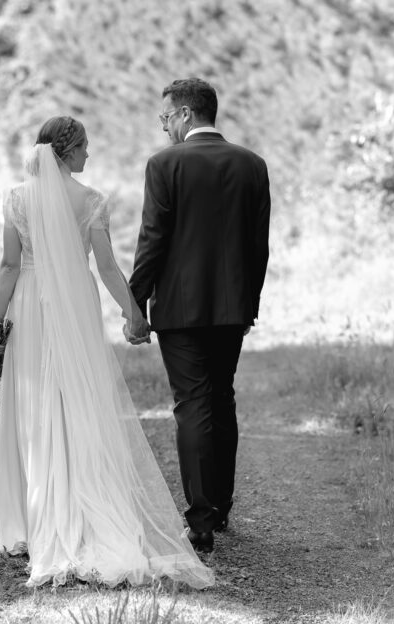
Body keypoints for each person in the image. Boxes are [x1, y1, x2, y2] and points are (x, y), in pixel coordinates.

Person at [0, 116, 215, 589]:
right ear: (67, 151)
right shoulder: (90, 201)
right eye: (85, 147)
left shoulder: (15, 199)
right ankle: (80, 514)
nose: (89, 155)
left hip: (30, 304)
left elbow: (10, 264)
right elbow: (108, 266)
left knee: (35, 407)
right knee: (79, 402)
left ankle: (33, 523)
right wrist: (133, 314)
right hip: (74, 302)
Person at [127, 78, 271, 554]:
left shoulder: (165, 164)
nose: (163, 125)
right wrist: (248, 304)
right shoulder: (252, 165)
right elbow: (258, 247)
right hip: (231, 309)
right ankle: (222, 506)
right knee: (221, 397)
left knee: (192, 404)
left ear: (188, 114)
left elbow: (153, 239)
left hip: (180, 310)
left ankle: (200, 520)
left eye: (166, 116)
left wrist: (135, 305)